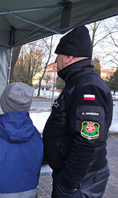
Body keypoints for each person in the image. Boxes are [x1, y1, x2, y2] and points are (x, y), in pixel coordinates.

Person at [43, 25, 113, 198]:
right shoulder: (77, 83)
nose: (56, 61)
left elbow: (88, 141)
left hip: (80, 181)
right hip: (75, 177)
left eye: (57, 56)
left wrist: (70, 182)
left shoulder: (87, 86)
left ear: (68, 57)